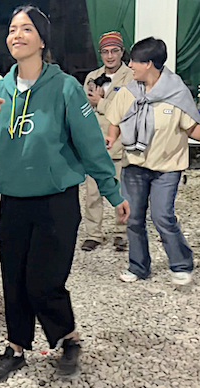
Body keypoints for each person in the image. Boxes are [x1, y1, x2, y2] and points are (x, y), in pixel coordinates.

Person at [0, 5, 129, 382]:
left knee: (43, 281)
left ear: (42, 40)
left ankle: (68, 338)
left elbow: (91, 144)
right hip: (12, 201)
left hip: (55, 202)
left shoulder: (65, 88)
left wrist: (111, 191)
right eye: (12, 29)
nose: (16, 35)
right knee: (14, 278)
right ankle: (16, 347)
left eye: (26, 29)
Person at [104, 37, 200, 287]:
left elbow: (192, 127)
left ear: (149, 63)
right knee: (134, 218)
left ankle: (181, 264)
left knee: (163, 216)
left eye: (134, 61)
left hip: (167, 168)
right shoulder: (128, 92)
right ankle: (138, 267)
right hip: (135, 166)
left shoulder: (176, 93)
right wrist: (110, 137)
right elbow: (115, 121)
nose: (130, 65)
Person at [80, 31, 134, 252]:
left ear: (122, 52)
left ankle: (121, 232)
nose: (110, 56)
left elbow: (129, 111)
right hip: (96, 144)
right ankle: (94, 233)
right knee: (92, 191)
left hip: (121, 144)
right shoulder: (92, 76)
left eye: (114, 51)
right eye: (105, 51)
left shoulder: (131, 77)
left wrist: (101, 103)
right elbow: (83, 109)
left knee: (121, 190)